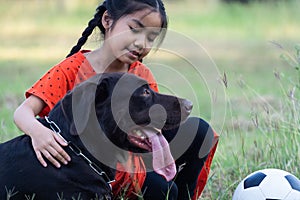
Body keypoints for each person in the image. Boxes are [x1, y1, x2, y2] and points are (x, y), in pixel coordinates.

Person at [13, 0, 219, 199]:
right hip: (82, 171)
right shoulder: (72, 69)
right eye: (134, 29)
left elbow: (152, 123)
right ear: (107, 20)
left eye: (151, 37)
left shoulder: (140, 75)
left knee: (199, 132)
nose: (141, 43)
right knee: (162, 190)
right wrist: (39, 133)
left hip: (132, 160)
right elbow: (23, 112)